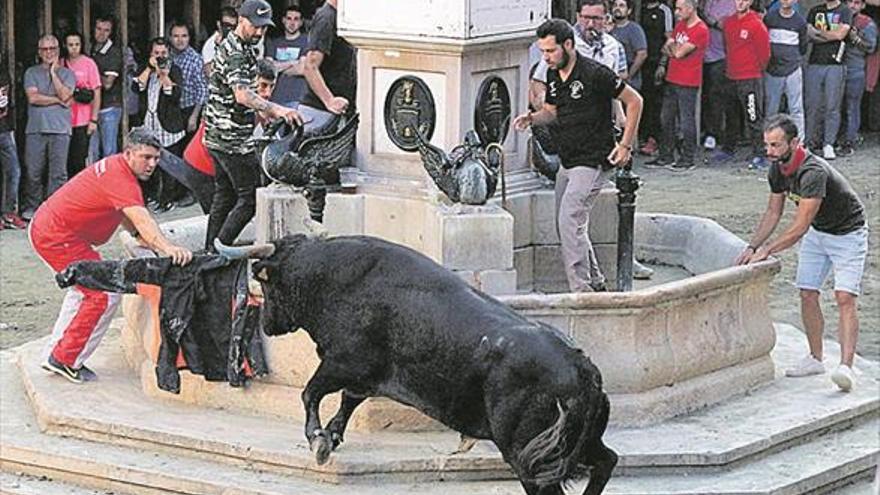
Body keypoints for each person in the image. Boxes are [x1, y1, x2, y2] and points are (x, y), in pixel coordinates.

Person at [30, 128, 193, 384]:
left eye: (156, 158)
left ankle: (58, 353)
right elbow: (140, 218)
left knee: (85, 292)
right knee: (102, 294)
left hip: (55, 229)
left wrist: (140, 238)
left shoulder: (119, 168)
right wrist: (167, 248)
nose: (152, 164)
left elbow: (125, 214)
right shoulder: (121, 178)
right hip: (56, 236)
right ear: (129, 154)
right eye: (146, 157)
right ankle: (64, 359)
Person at [736, 114, 867, 393]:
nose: (769, 151)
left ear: (795, 143)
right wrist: (751, 246)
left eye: (775, 145)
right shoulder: (777, 168)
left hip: (848, 233)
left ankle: (846, 367)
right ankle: (815, 357)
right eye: (767, 145)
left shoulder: (813, 172)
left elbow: (799, 227)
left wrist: (768, 250)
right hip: (819, 233)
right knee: (807, 292)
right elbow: (773, 212)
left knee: (844, 296)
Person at [513, 19, 643, 293]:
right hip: (568, 160)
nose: (545, 58)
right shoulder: (552, 74)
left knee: (570, 218)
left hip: (593, 159)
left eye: (550, 51)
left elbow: (635, 101)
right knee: (568, 227)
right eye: (543, 52)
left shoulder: (595, 73)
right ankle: (595, 281)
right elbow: (552, 112)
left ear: (568, 45)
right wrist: (532, 118)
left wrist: (625, 145)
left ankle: (581, 290)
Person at [204, 0, 301, 251]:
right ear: (241, 20)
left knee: (224, 196)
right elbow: (243, 95)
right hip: (231, 139)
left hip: (219, 135)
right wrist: (277, 109)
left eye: (264, 28)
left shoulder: (244, 47)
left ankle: (209, 251)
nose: (259, 33)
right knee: (250, 198)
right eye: (255, 27)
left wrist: (263, 113)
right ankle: (220, 250)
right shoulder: (235, 51)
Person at [647, 0, 710, 171]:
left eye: (680, 8)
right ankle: (665, 155)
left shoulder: (700, 29)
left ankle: (687, 158)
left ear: (691, 8)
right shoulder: (681, 24)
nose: (677, 12)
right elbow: (667, 49)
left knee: (686, 121)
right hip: (673, 78)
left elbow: (678, 52)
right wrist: (673, 48)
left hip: (688, 80)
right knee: (666, 118)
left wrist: (673, 46)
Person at [22, 35, 76, 220]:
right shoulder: (31, 72)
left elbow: (66, 95)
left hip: (60, 130)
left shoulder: (67, 74)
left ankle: (55, 210)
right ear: (39, 52)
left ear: (58, 50)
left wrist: (54, 73)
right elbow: (33, 98)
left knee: (58, 173)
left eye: (52, 48)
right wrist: (57, 100)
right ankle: (33, 208)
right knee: (33, 171)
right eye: (44, 49)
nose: (48, 52)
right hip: (35, 129)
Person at [132, 37, 187, 211]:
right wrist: (150, 68)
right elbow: (136, 87)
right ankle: (151, 196)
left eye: (163, 53)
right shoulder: (145, 69)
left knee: (169, 167)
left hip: (168, 127)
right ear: (151, 54)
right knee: (149, 163)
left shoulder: (175, 70)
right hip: (150, 124)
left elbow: (175, 95)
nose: (160, 56)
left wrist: (164, 76)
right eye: (156, 53)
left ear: (169, 54)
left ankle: (167, 200)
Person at [723, 0, 771, 169]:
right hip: (731, 77)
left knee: (753, 116)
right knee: (731, 115)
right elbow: (727, 47)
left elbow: (764, 54)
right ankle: (728, 149)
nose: (740, 2)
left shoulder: (756, 24)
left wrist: (754, 71)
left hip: (750, 78)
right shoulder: (728, 22)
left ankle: (759, 153)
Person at [805, 0, 853, 160]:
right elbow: (809, 35)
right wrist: (830, 36)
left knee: (833, 106)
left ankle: (828, 144)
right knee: (813, 105)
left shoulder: (845, 11)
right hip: (814, 63)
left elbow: (841, 35)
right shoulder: (814, 10)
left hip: (836, 64)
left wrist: (819, 33)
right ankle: (810, 143)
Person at [300, 0, 357, 133]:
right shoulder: (326, 18)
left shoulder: (342, 18)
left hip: (337, 113)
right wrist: (329, 100)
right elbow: (310, 66)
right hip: (319, 112)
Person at [763, 0, 808, 142]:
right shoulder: (769, 18)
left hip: (793, 69)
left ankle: (799, 144)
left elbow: (803, 47)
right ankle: (770, 143)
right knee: (771, 109)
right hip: (773, 69)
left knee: (796, 109)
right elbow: (763, 40)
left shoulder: (800, 21)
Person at [701, 0, 739, 162]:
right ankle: (709, 131)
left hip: (722, 56)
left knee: (719, 97)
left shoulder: (733, 4)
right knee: (707, 98)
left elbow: (727, 26)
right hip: (704, 55)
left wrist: (711, 21)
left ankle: (717, 134)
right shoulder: (708, 2)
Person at [838, 0, 877, 155]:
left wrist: (855, 38)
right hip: (837, 68)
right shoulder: (838, 18)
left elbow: (871, 47)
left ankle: (850, 141)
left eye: (857, 3)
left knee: (851, 107)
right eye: (850, 2)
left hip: (855, 70)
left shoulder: (867, 23)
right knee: (835, 107)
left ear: (863, 6)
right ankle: (836, 139)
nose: (852, 6)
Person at [62, 31, 102, 179]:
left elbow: (96, 92)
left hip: (83, 119)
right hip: (64, 119)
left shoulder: (88, 63)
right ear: (65, 46)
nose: (74, 48)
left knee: (79, 159)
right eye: (70, 45)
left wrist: (94, 119)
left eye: (77, 44)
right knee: (64, 161)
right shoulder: (60, 63)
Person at [638, 0, 674, 155]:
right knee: (642, 99)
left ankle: (654, 139)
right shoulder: (640, 10)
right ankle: (642, 136)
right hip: (641, 63)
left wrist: (663, 64)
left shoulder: (664, 11)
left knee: (655, 102)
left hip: (655, 62)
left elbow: (669, 39)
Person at [89, 15, 125, 162]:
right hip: (91, 109)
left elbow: (108, 83)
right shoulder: (90, 48)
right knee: (91, 154)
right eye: (98, 29)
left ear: (111, 32)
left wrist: (90, 71)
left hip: (109, 107)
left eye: (106, 30)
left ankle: (109, 184)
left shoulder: (113, 52)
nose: (101, 33)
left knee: (108, 154)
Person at [169, 19, 209, 147]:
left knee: (187, 149)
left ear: (189, 38)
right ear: (170, 38)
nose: (180, 40)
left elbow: (202, 90)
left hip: (188, 110)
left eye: (184, 36)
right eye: (176, 36)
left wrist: (194, 117)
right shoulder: (167, 55)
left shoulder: (195, 59)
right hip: (171, 110)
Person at [266, 5, 309, 109]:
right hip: (274, 98)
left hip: (297, 99)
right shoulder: (274, 42)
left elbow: (302, 69)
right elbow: (269, 68)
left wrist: (278, 66)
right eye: (289, 18)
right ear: (283, 20)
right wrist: (293, 62)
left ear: (301, 22)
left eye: (296, 19)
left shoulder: (307, 41)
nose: (292, 23)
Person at [0, 61, 26, 229]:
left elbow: (5, 104)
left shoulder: (2, 73)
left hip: (5, 128)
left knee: (14, 171)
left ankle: (9, 213)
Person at [610, 0, 649, 90]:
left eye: (621, 6)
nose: (617, 8)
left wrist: (629, 75)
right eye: (615, 5)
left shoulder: (634, 29)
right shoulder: (608, 28)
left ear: (629, 11)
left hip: (629, 82)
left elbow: (642, 54)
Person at [202, 7, 239, 78]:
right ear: (219, 24)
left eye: (233, 26)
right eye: (226, 25)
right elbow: (209, 73)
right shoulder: (210, 45)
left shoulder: (237, 42)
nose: (229, 29)